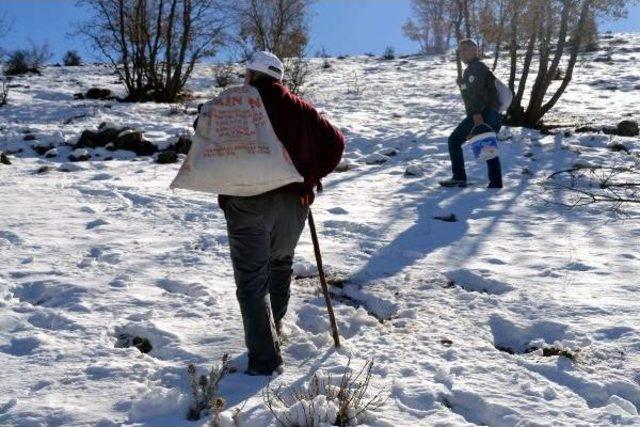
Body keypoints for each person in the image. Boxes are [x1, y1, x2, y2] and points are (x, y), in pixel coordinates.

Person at [219, 52, 345, 376]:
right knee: (279, 264)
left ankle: (264, 361)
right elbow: (336, 143)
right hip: (294, 202)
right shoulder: (302, 108)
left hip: (249, 199)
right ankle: (273, 332)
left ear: (253, 74)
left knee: (251, 281)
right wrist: (311, 177)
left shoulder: (241, 105)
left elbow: (205, 132)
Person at [440, 39, 503, 189]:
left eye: (465, 50)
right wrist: (462, 85)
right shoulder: (482, 68)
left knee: (454, 140)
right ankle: (496, 183)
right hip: (493, 114)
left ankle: (459, 177)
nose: (461, 54)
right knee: (487, 146)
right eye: (460, 51)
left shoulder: (474, 69)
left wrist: (476, 118)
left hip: (482, 113)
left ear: (474, 50)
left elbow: (476, 95)